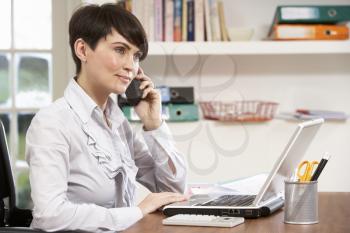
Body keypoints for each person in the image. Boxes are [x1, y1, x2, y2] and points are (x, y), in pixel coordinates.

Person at [25, 3, 187, 232]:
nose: (131, 66)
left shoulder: (117, 122)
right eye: (120, 50)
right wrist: (137, 211)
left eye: (136, 55)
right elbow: (50, 215)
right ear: (82, 50)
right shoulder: (52, 123)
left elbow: (172, 189)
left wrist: (154, 124)